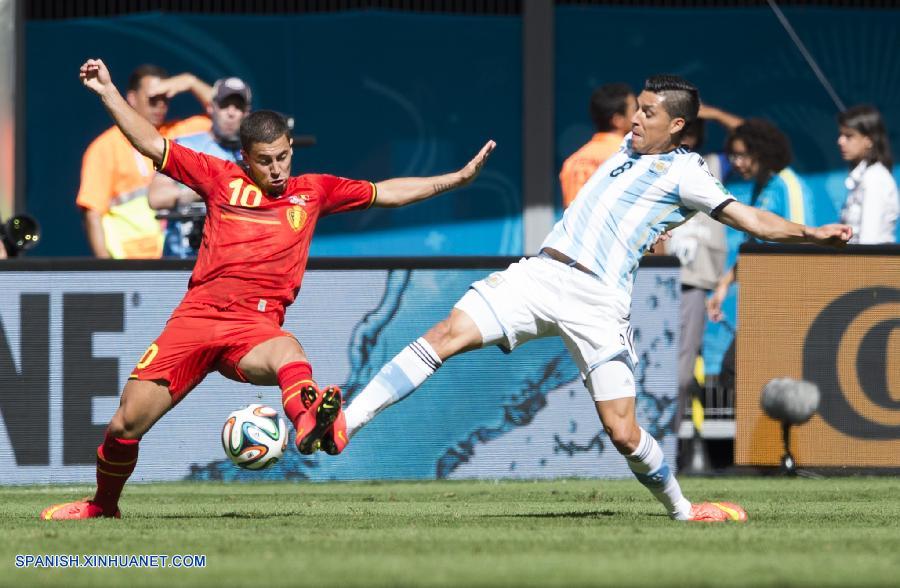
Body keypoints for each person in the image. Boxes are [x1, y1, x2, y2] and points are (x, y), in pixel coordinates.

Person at [320, 75, 852, 523]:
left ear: (677, 126)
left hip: (598, 301)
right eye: (636, 110)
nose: (635, 120)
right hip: (542, 273)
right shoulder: (622, 147)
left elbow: (751, 219)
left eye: (647, 113)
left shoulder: (689, 174)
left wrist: (812, 234)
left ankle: (683, 511)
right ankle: (347, 423)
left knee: (622, 433)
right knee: (445, 334)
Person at [41, 58, 495, 520]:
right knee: (125, 423)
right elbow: (148, 141)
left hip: (253, 328)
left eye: (283, 156)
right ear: (245, 157)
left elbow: (387, 191)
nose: (276, 169)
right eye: (265, 160)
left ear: (291, 149)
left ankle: (312, 426)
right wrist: (108, 91)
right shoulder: (218, 178)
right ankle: (102, 506)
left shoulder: (312, 191)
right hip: (196, 320)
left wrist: (454, 180)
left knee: (288, 351)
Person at [76, 64, 213, 259]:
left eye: (164, 99)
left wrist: (191, 82)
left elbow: (227, 117)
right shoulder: (105, 147)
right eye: (152, 99)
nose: (160, 105)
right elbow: (92, 214)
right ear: (132, 98)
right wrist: (106, 270)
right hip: (129, 264)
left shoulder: (177, 134)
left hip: (173, 257)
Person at [706, 119, 817, 324]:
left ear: (762, 152)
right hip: (760, 295)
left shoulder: (788, 184)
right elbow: (753, 246)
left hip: (786, 301)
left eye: (742, 155)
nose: (736, 163)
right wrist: (724, 286)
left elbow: (804, 243)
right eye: (733, 156)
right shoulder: (760, 186)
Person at [664, 120, 726, 438]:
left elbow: (754, 139)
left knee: (683, 365)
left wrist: (711, 112)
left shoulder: (713, 164)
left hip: (693, 279)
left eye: (689, 132)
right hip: (657, 278)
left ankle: (668, 441)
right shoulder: (658, 164)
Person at [149, 77, 252, 258]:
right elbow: (156, 197)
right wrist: (201, 190)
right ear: (211, 108)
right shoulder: (185, 145)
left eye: (238, 107)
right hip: (182, 259)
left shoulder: (254, 156)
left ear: (246, 113)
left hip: (230, 262)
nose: (231, 112)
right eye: (225, 105)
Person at [559, 83, 636, 206]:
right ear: (618, 120)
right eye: (635, 110)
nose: (640, 116)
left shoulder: (573, 161)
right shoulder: (632, 157)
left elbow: (571, 213)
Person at [837, 105, 898, 244]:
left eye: (848, 136)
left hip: (870, 265)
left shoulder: (875, 178)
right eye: (840, 135)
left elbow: (869, 243)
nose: (840, 141)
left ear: (869, 140)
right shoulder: (864, 176)